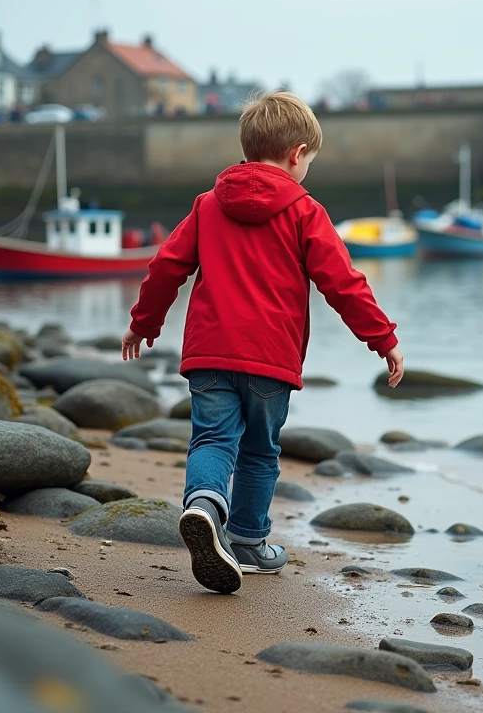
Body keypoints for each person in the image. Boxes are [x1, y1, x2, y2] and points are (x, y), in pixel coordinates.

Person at [121, 91, 404, 595]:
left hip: (209, 353)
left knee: (211, 439)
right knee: (258, 451)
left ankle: (204, 506)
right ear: (297, 154)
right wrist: (382, 338)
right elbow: (342, 281)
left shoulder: (208, 205)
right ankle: (249, 542)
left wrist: (145, 323)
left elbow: (167, 265)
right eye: (310, 161)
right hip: (271, 360)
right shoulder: (304, 211)